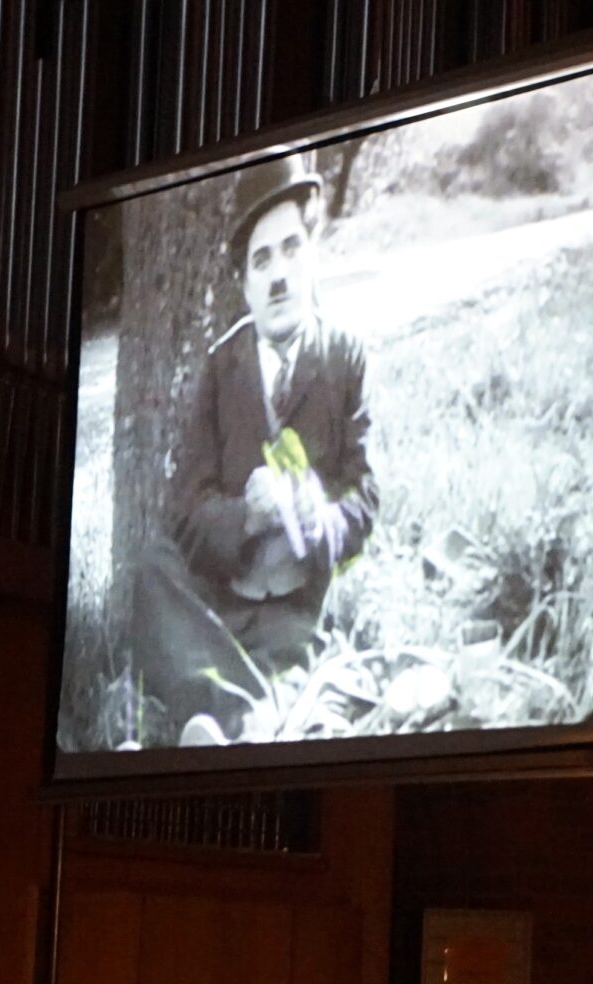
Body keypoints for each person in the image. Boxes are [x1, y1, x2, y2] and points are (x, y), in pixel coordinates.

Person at [131, 153, 379, 746]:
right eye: (261, 260)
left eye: (291, 249)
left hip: (292, 606)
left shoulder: (345, 357)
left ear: (313, 254)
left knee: (291, 655)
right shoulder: (222, 367)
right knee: (151, 569)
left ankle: (225, 713)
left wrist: (317, 519)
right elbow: (186, 511)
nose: (278, 276)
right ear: (244, 284)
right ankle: (244, 716)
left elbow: (365, 498)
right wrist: (249, 515)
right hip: (218, 599)